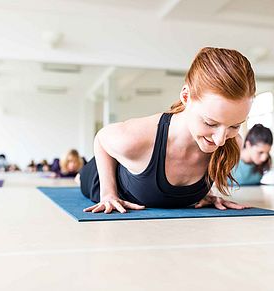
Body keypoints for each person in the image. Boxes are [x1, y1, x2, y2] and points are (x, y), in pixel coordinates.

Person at [78, 47, 256, 214]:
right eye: (210, 123)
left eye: (234, 126)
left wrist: (205, 195)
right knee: (81, 178)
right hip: (97, 177)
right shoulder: (134, 138)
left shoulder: (233, 143)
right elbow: (102, 139)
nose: (220, 140)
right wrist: (108, 193)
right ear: (186, 96)